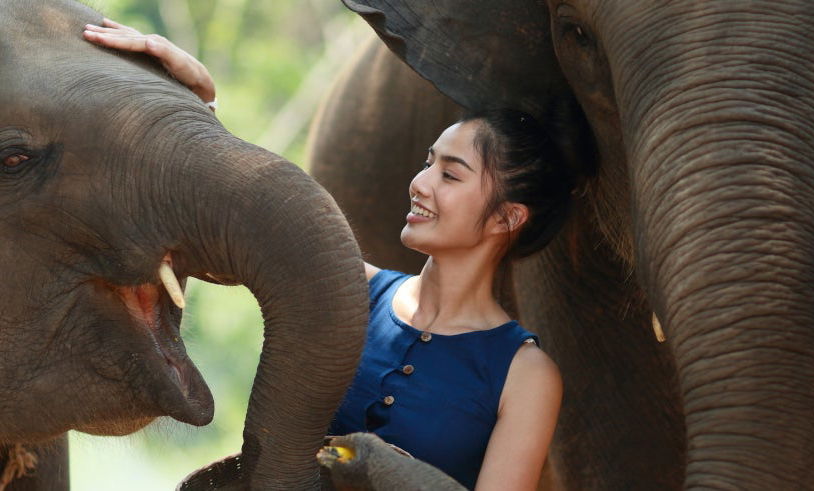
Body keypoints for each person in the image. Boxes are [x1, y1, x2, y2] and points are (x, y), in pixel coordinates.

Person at [84, 20, 571, 490]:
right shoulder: (349, 292)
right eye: (428, 162)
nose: (420, 184)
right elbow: (248, 213)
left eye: (451, 174)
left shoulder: (525, 376)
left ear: (507, 217)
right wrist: (198, 99)